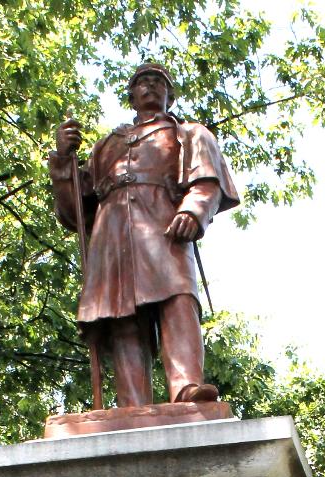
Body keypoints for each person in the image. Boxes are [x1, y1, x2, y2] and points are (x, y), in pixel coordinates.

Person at [49, 62, 240, 408]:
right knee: (123, 318)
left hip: (163, 226)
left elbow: (207, 182)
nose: (150, 87)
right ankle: (133, 405)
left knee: (178, 300)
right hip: (113, 237)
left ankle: (187, 387)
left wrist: (193, 210)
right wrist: (63, 161)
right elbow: (75, 212)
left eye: (158, 82)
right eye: (142, 82)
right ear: (131, 95)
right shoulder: (106, 145)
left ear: (169, 93)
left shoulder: (189, 134)